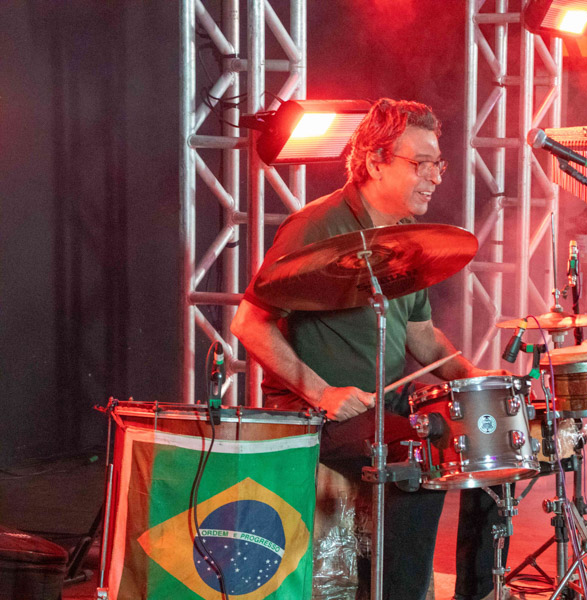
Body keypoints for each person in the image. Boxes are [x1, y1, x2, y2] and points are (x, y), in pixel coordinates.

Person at [231, 98, 499, 600]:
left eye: (438, 164)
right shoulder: (315, 226)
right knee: (418, 458)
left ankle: (478, 592)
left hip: (385, 405)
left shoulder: (407, 237)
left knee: (491, 443)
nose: (435, 177)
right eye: (422, 164)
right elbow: (249, 323)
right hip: (318, 412)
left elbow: (422, 336)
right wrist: (322, 393)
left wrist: (475, 379)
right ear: (376, 162)